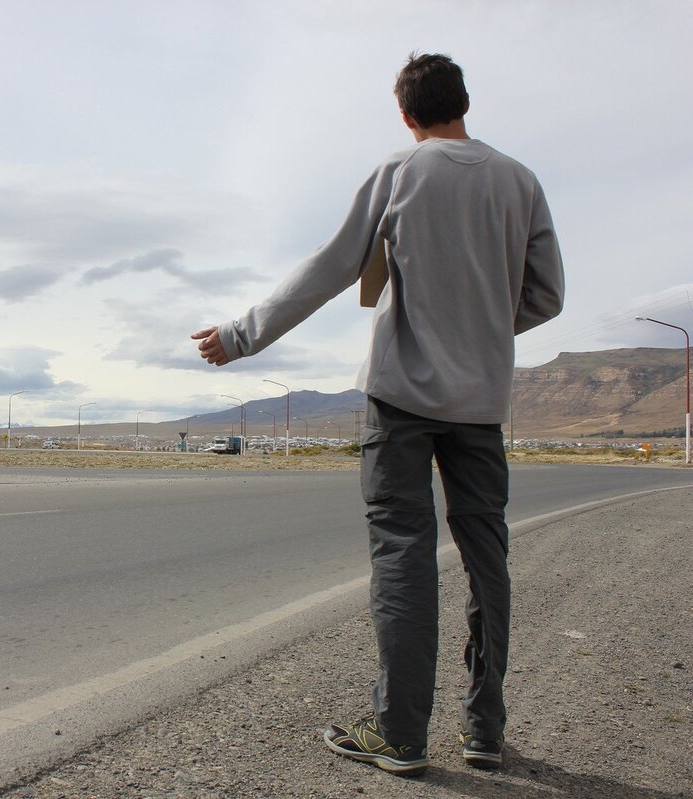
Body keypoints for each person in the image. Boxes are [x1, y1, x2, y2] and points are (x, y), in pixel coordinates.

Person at [191, 52, 564, 776]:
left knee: (403, 551)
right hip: (481, 406)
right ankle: (485, 730)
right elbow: (547, 295)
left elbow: (332, 264)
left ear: (405, 114)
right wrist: (483, 328)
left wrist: (241, 335)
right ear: (464, 103)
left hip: (400, 401)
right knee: (487, 554)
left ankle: (400, 733)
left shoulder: (400, 172)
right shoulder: (521, 181)